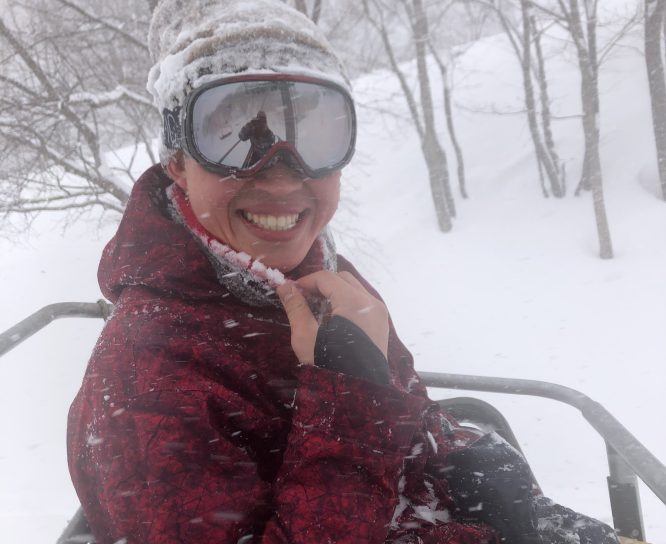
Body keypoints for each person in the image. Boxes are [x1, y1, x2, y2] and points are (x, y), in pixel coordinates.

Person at [67, 1, 620, 543]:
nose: (283, 175)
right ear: (177, 162)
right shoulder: (142, 381)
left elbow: (407, 429)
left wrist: (469, 470)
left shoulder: (326, 277)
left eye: (312, 134)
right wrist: (351, 403)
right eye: (233, 136)